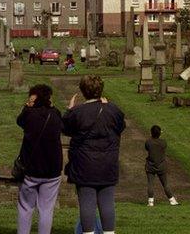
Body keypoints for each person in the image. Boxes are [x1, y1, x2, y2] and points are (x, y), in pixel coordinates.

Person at [63, 76, 125, 234]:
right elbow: (120, 127)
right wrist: (108, 107)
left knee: (86, 203)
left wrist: (69, 110)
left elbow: (66, 129)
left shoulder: (77, 112)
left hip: (84, 164)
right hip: (108, 163)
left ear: (83, 91)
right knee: (107, 202)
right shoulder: (114, 110)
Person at [16, 84, 63, 234]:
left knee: (25, 207)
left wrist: (27, 106)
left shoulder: (29, 114)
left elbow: (20, 121)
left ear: (34, 98)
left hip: (31, 168)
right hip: (52, 169)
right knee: (46, 209)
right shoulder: (55, 113)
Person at [145, 125, 178, 207]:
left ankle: (150, 202)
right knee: (165, 184)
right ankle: (172, 200)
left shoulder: (148, 142)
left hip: (150, 166)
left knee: (150, 184)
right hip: (161, 166)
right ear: (159, 133)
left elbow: (147, 148)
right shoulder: (163, 142)